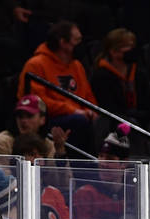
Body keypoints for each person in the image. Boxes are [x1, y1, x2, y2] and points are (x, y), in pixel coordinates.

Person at [18, 21, 96, 149]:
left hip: (77, 116)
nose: (81, 44)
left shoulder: (77, 65)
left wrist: (91, 111)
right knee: (79, 121)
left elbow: (88, 96)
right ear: (63, 42)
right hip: (48, 119)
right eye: (77, 40)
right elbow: (39, 102)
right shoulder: (36, 64)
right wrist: (74, 111)